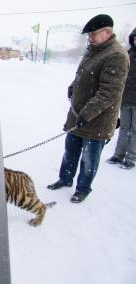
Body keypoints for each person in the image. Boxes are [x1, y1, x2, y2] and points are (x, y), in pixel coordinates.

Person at [47, 14, 130, 203]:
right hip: (78, 116)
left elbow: (109, 92)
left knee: (89, 158)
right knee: (71, 151)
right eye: (89, 35)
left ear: (107, 32)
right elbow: (82, 75)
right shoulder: (93, 50)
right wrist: (72, 87)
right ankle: (65, 179)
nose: (90, 38)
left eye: (93, 34)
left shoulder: (116, 55)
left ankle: (83, 188)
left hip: (96, 120)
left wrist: (87, 113)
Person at [106, 27, 136, 170]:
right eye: (135, 38)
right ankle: (118, 154)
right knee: (124, 128)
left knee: (135, 130)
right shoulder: (127, 55)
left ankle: (131, 158)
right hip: (125, 99)